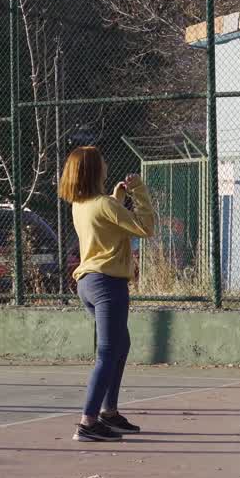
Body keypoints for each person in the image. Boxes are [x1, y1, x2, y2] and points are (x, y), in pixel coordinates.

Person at [59, 146, 156, 442]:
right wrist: (138, 192)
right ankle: (88, 422)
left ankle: (109, 413)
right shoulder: (104, 204)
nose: (105, 165)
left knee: (119, 345)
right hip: (107, 284)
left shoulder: (82, 204)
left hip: (88, 283)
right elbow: (145, 228)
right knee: (108, 352)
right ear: (93, 170)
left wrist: (118, 198)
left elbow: (105, 224)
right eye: (102, 162)